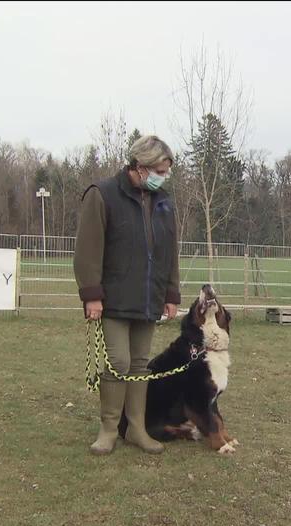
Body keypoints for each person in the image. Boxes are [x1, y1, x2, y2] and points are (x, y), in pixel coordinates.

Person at [73, 135, 181, 455]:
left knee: (140, 364)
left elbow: (169, 253)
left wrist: (170, 294)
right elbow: (87, 250)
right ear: (140, 167)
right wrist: (92, 295)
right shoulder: (102, 195)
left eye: (167, 170)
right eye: (161, 169)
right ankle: (108, 429)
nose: (165, 175)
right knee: (118, 362)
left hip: (149, 297)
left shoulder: (164, 203)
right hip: (114, 298)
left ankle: (136, 428)